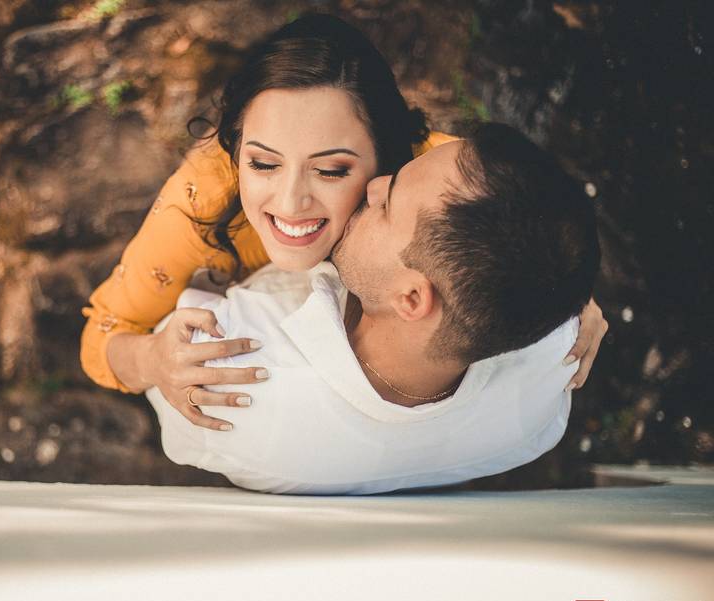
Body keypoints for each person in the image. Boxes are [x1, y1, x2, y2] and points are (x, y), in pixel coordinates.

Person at [81, 14, 606, 431]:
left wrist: (567, 293)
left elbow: (529, 232)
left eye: (331, 169)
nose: (289, 201)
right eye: (262, 163)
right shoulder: (206, 194)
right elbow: (102, 334)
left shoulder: (435, 171)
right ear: (236, 148)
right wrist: (152, 358)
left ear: (386, 159)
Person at [146, 123, 603, 495]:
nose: (375, 185)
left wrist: (148, 354)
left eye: (388, 205)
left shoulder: (233, 376)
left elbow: (161, 345)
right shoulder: (543, 395)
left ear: (411, 299)